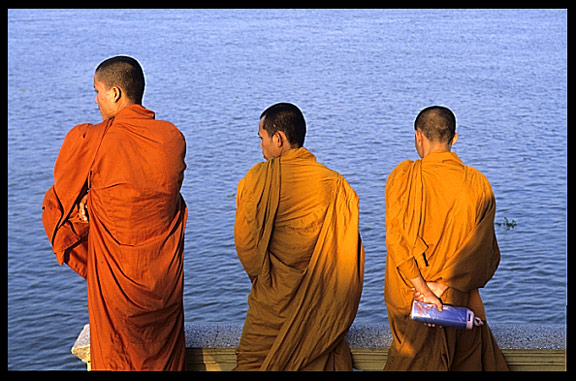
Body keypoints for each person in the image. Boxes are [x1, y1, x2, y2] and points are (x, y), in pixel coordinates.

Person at [42, 56, 187, 370]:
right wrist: (98, 200)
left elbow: (58, 204)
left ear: (117, 93)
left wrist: (90, 205)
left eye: (97, 91)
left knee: (118, 357)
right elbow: (158, 195)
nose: (95, 100)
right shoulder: (171, 139)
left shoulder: (95, 140)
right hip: (162, 282)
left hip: (116, 288)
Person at [233, 103, 365, 371]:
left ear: (278, 139)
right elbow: (347, 257)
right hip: (317, 312)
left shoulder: (255, 179)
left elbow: (246, 247)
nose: (261, 147)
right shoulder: (335, 184)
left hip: (268, 308)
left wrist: (266, 283)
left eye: (262, 139)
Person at [383, 106, 508, 371]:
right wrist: (443, 287)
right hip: (457, 305)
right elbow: (485, 256)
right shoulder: (478, 184)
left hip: (414, 305)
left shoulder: (403, 177)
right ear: (454, 138)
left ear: (418, 136)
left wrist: (424, 292)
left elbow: (397, 242)